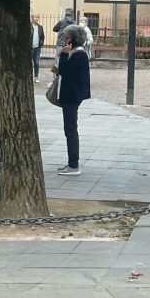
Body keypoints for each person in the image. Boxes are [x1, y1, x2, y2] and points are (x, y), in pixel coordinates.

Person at [51, 25, 91, 176]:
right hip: (71, 95)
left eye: (67, 37)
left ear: (74, 39)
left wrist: (63, 55)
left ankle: (74, 165)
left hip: (72, 96)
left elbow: (66, 71)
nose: (65, 40)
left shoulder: (79, 55)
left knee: (71, 130)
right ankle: (71, 163)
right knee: (69, 130)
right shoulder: (76, 54)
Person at [31, 14, 46, 83]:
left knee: (36, 62)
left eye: (37, 17)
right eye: (34, 17)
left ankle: (36, 77)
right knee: (29, 63)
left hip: (37, 48)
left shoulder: (40, 27)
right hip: (30, 47)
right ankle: (29, 77)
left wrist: (41, 44)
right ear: (32, 18)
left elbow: (42, 37)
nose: (36, 19)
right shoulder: (30, 27)